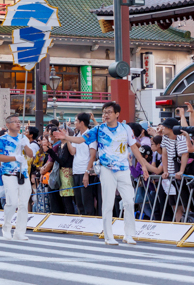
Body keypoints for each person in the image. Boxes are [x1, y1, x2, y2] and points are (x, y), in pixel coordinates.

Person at [55, 101, 151, 245]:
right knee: (108, 202)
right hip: (106, 169)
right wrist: (67, 137)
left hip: (123, 169)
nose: (105, 115)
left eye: (109, 112)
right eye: (104, 112)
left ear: (117, 114)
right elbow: (81, 139)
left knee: (129, 201)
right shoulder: (98, 130)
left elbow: (135, 149)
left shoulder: (126, 129)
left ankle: (129, 234)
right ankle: (109, 236)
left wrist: (143, 165)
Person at [0, 115, 35, 241]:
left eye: (19, 122)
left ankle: (19, 232)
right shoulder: (2, 139)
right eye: (15, 122)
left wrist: (25, 145)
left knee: (23, 204)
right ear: (8, 125)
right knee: (11, 203)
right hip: (9, 174)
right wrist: (15, 158)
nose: (18, 124)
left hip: (23, 174)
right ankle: (6, 228)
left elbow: (31, 155)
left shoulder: (23, 138)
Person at [158, 116, 189, 222]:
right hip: (170, 177)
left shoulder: (180, 138)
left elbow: (185, 155)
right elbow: (164, 155)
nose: (162, 128)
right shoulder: (165, 138)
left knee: (185, 205)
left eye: (164, 126)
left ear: (170, 128)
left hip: (181, 177)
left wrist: (181, 171)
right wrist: (165, 171)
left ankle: (187, 228)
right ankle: (178, 228)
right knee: (175, 205)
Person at [69, 113, 99, 216]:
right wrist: (67, 139)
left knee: (87, 201)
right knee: (79, 201)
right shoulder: (76, 135)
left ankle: (90, 223)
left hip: (84, 171)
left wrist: (87, 172)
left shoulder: (90, 135)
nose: (74, 122)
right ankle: (81, 222)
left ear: (82, 122)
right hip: (76, 171)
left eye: (76, 120)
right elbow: (73, 152)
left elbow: (93, 155)